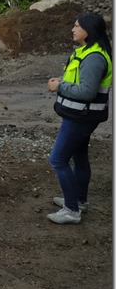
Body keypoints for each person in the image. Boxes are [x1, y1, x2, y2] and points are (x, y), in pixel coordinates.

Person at [46, 12, 112, 225]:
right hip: (81, 114)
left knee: (57, 159)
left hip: (81, 116)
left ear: (88, 30)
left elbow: (87, 91)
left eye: (76, 26)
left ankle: (72, 210)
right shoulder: (87, 52)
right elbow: (81, 80)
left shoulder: (94, 57)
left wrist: (60, 86)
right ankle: (78, 201)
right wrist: (64, 79)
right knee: (80, 157)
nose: (73, 29)